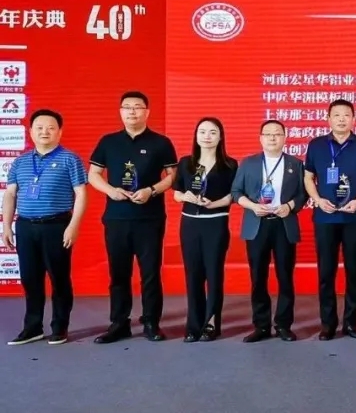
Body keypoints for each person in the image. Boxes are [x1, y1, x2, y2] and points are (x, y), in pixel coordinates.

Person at [87, 91, 177, 343]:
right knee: (119, 273)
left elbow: (174, 176)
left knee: (150, 273)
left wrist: (152, 190)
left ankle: (151, 322)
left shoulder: (161, 143)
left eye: (138, 107)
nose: (132, 112)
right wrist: (110, 191)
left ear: (147, 112)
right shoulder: (108, 142)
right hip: (117, 218)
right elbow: (93, 174)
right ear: (120, 112)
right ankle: (119, 323)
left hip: (150, 218)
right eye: (127, 107)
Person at [2, 109, 87, 346]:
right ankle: (32, 328)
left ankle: (60, 327)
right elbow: (10, 195)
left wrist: (73, 225)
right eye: (39, 128)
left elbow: (81, 194)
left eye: (50, 128)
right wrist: (6, 226)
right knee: (30, 278)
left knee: (59, 278)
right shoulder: (20, 162)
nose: (44, 132)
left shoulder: (70, 159)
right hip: (26, 226)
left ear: (60, 132)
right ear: (31, 131)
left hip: (56, 225)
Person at [304, 99, 356, 340]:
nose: (342, 119)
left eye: (346, 115)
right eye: (336, 115)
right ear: (328, 119)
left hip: (353, 217)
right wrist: (317, 199)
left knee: (354, 271)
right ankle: (328, 324)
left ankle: (351, 323)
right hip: (325, 218)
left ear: (354, 119)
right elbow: (308, 177)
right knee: (326, 272)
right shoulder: (316, 145)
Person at [234, 120, 307, 342]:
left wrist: (290, 206)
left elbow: (303, 194)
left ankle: (283, 325)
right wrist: (253, 206)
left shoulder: (296, 164)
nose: (272, 138)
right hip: (258, 224)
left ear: (285, 138)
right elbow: (236, 192)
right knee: (258, 277)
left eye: (277, 134)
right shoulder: (248, 163)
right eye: (267, 134)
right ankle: (261, 326)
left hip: (283, 224)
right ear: (260, 138)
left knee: (285, 276)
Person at [172, 117, 237, 342]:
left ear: (220, 137)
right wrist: (186, 197)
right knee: (193, 275)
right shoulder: (186, 163)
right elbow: (176, 193)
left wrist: (214, 203)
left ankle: (211, 323)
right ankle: (193, 325)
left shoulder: (229, 165)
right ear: (196, 136)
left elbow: (233, 196)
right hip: (190, 223)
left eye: (212, 132)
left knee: (214, 274)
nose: (207, 136)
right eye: (202, 132)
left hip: (216, 223)